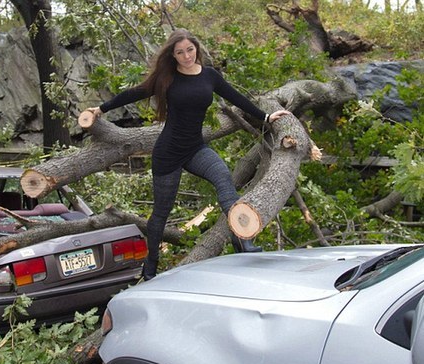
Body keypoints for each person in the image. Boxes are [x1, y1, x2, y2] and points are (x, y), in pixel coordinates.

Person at [86, 28, 290, 280]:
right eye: (180, 52)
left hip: (195, 148)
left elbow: (236, 97)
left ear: (197, 48)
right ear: (173, 55)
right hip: (168, 154)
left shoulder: (210, 76)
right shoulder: (167, 78)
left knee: (224, 180)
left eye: (190, 50)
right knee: (162, 212)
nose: (186, 56)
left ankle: (243, 240)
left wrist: (266, 117)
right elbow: (135, 92)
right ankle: (150, 265)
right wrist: (101, 108)